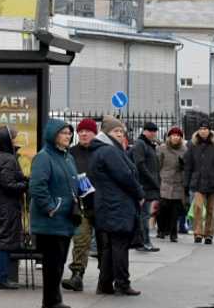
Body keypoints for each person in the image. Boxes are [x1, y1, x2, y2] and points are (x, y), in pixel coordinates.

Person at [87, 116, 143, 296]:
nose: (120, 134)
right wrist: (139, 193)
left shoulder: (100, 150)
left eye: (121, 131)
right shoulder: (109, 151)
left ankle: (105, 284)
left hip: (107, 205)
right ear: (106, 133)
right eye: (115, 131)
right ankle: (122, 283)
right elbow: (125, 176)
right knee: (119, 245)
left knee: (109, 247)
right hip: (117, 205)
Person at [29, 118, 80, 308]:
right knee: (52, 262)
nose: (68, 136)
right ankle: (50, 300)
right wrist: (51, 208)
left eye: (69, 133)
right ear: (53, 135)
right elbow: (37, 186)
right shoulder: (44, 157)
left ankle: (54, 298)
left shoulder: (67, 157)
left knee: (59, 261)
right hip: (50, 220)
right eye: (63, 133)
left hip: (65, 218)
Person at [0, 125, 28, 290]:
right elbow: (8, 184)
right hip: (6, 206)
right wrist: (25, 184)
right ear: (6, 140)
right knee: (4, 241)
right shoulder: (8, 159)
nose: (16, 140)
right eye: (13, 138)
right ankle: (1, 278)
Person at [62, 117, 98, 292]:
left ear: (95, 133)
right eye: (81, 131)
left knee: (105, 242)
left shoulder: (102, 152)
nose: (84, 134)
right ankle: (77, 275)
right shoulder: (71, 153)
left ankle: (107, 275)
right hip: (81, 205)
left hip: (101, 204)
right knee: (80, 240)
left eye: (87, 131)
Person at [182, 123, 214, 245]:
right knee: (198, 207)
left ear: (209, 130)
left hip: (213, 182)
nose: (203, 131)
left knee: (211, 210)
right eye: (201, 129)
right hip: (198, 182)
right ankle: (198, 233)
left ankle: (209, 234)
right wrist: (186, 182)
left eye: (205, 129)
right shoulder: (193, 145)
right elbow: (188, 166)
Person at [131, 121, 162, 252]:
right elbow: (140, 164)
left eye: (154, 131)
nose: (153, 133)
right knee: (144, 215)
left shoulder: (148, 144)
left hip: (148, 185)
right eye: (151, 131)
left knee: (145, 214)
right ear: (144, 131)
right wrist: (152, 179)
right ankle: (144, 242)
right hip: (144, 185)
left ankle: (143, 241)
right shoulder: (140, 144)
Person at [156, 126, 188, 242]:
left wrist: (183, 165)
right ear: (169, 137)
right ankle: (161, 230)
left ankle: (173, 234)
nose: (176, 137)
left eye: (178, 136)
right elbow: (158, 164)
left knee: (175, 210)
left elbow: (188, 166)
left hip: (178, 182)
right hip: (165, 181)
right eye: (174, 135)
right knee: (163, 208)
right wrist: (158, 179)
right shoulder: (162, 148)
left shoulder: (184, 150)